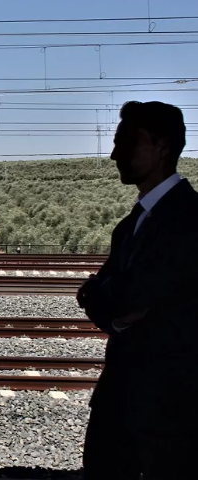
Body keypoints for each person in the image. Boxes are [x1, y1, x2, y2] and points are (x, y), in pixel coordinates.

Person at [77, 100, 198, 478]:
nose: (115, 154)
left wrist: (109, 301)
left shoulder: (188, 219)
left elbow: (129, 295)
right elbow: (100, 297)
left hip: (168, 410)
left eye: (128, 142)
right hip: (122, 404)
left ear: (162, 147)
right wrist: (118, 311)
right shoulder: (131, 225)